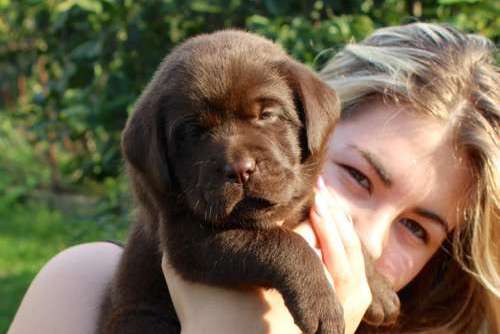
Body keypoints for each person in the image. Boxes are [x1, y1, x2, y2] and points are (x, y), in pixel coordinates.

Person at [8, 23, 499, 334]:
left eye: (417, 228)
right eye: (357, 176)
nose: (365, 240)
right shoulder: (79, 288)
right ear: (320, 133)